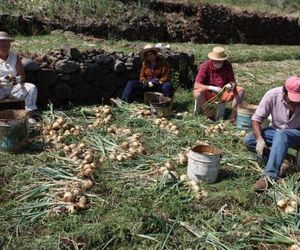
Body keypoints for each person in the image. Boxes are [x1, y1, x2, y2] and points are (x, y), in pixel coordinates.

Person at [244, 76, 300, 191]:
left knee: (282, 134)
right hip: (276, 130)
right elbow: (256, 119)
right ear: (284, 91)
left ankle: (269, 176)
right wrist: (259, 140)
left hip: (297, 133)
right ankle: (282, 161)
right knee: (249, 140)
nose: (295, 103)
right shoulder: (272, 95)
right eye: (292, 99)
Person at [193, 46, 245, 120]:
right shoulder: (205, 65)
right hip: (208, 93)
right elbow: (196, 85)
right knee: (197, 93)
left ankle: (233, 116)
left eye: (220, 61)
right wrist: (211, 87)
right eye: (216, 61)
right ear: (212, 59)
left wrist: (231, 86)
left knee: (241, 91)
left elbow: (233, 82)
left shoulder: (227, 65)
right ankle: (209, 113)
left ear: (224, 60)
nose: (218, 62)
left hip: (223, 92)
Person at [0, 31, 38, 123]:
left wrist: (15, 79)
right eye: (2, 46)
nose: (5, 48)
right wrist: (2, 81)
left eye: (7, 45)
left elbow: (22, 76)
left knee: (31, 88)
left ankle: (28, 115)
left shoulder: (14, 56)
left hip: (13, 87)